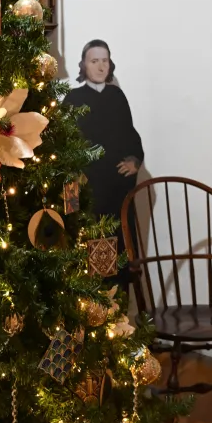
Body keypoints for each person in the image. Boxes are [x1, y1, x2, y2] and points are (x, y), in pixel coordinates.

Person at [63, 40, 144, 285]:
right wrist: (72, 194)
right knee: (86, 246)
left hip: (116, 190)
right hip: (86, 187)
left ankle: (117, 314)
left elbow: (130, 135)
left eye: (105, 60)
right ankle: (92, 315)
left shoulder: (117, 96)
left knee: (118, 244)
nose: (100, 66)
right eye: (94, 61)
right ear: (84, 65)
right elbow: (63, 144)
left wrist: (135, 162)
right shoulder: (73, 98)